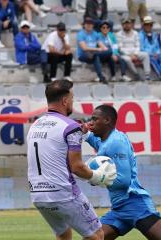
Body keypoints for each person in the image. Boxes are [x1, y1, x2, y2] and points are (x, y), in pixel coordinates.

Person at [27, 80, 113, 240]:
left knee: (64, 235)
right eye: (72, 98)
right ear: (65, 100)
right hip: (62, 194)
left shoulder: (36, 124)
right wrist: (97, 176)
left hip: (38, 194)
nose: (73, 102)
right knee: (96, 235)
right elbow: (77, 167)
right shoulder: (70, 126)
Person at [81, 104, 161, 240]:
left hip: (134, 202)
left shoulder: (116, 142)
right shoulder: (107, 140)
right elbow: (99, 145)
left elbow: (123, 181)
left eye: (95, 119)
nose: (90, 122)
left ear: (107, 120)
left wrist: (96, 178)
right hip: (119, 208)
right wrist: (86, 133)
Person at [77, 17, 115, 84]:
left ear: (93, 25)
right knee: (96, 56)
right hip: (84, 55)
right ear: (84, 25)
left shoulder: (95, 33)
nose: (89, 25)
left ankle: (111, 76)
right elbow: (84, 48)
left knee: (109, 52)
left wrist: (105, 49)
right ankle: (101, 77)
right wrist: (97, 49)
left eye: (90, 24)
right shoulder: (81, 34)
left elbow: (101, 45)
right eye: (87, 24)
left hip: (94, 54)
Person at [139, 16, 161, 81]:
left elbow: (157, 47)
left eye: (150, 25)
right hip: (147, 54)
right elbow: (141, 48)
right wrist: (151, 54)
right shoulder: (140, 35)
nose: (148, 26)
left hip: (155, 53)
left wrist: (157, 53)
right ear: (143, 25)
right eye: (147, 24)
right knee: (152, 59)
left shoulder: (154, 35)